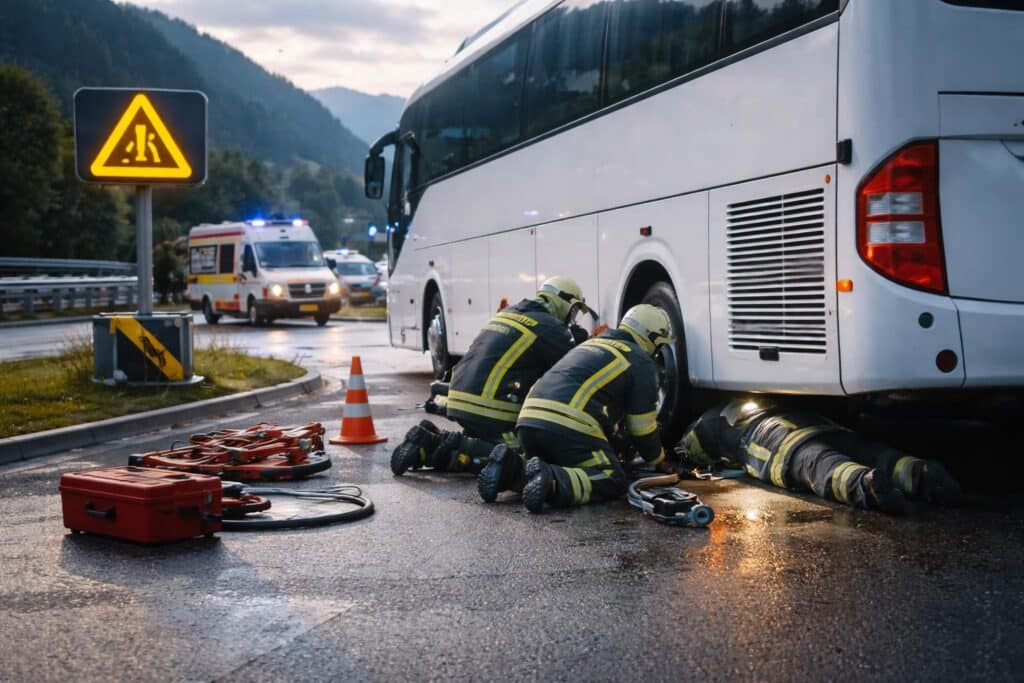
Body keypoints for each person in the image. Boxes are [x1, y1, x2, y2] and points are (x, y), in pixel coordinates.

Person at [390, 276, 593, 483]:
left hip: (459, 396)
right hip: (490, 407)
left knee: (476, 450)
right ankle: (447, 443)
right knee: (515, 456)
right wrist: (588, 342)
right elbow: (572, 368)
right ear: (563, 302)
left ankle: (427, 446)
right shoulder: (551, 327)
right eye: (574, 311)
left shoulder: (509, 312)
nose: (572, 318)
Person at [485, 304, 674, 512]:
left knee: (554, 467)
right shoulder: (640, 361)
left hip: (528, 422)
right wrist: (658, 459)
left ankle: (510, 469)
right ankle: (553, 483)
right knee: (612, 478)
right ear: (651, 339)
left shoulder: (590, 345)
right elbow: (642, 428)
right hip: (566, 426)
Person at [678, 399, 962, 513]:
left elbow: (689, 450)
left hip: (778, 441)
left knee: (825, 467)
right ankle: (918, 473)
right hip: (815, 422)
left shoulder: (704, 426)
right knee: (865, 450)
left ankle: (866, 486)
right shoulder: (748, 398)